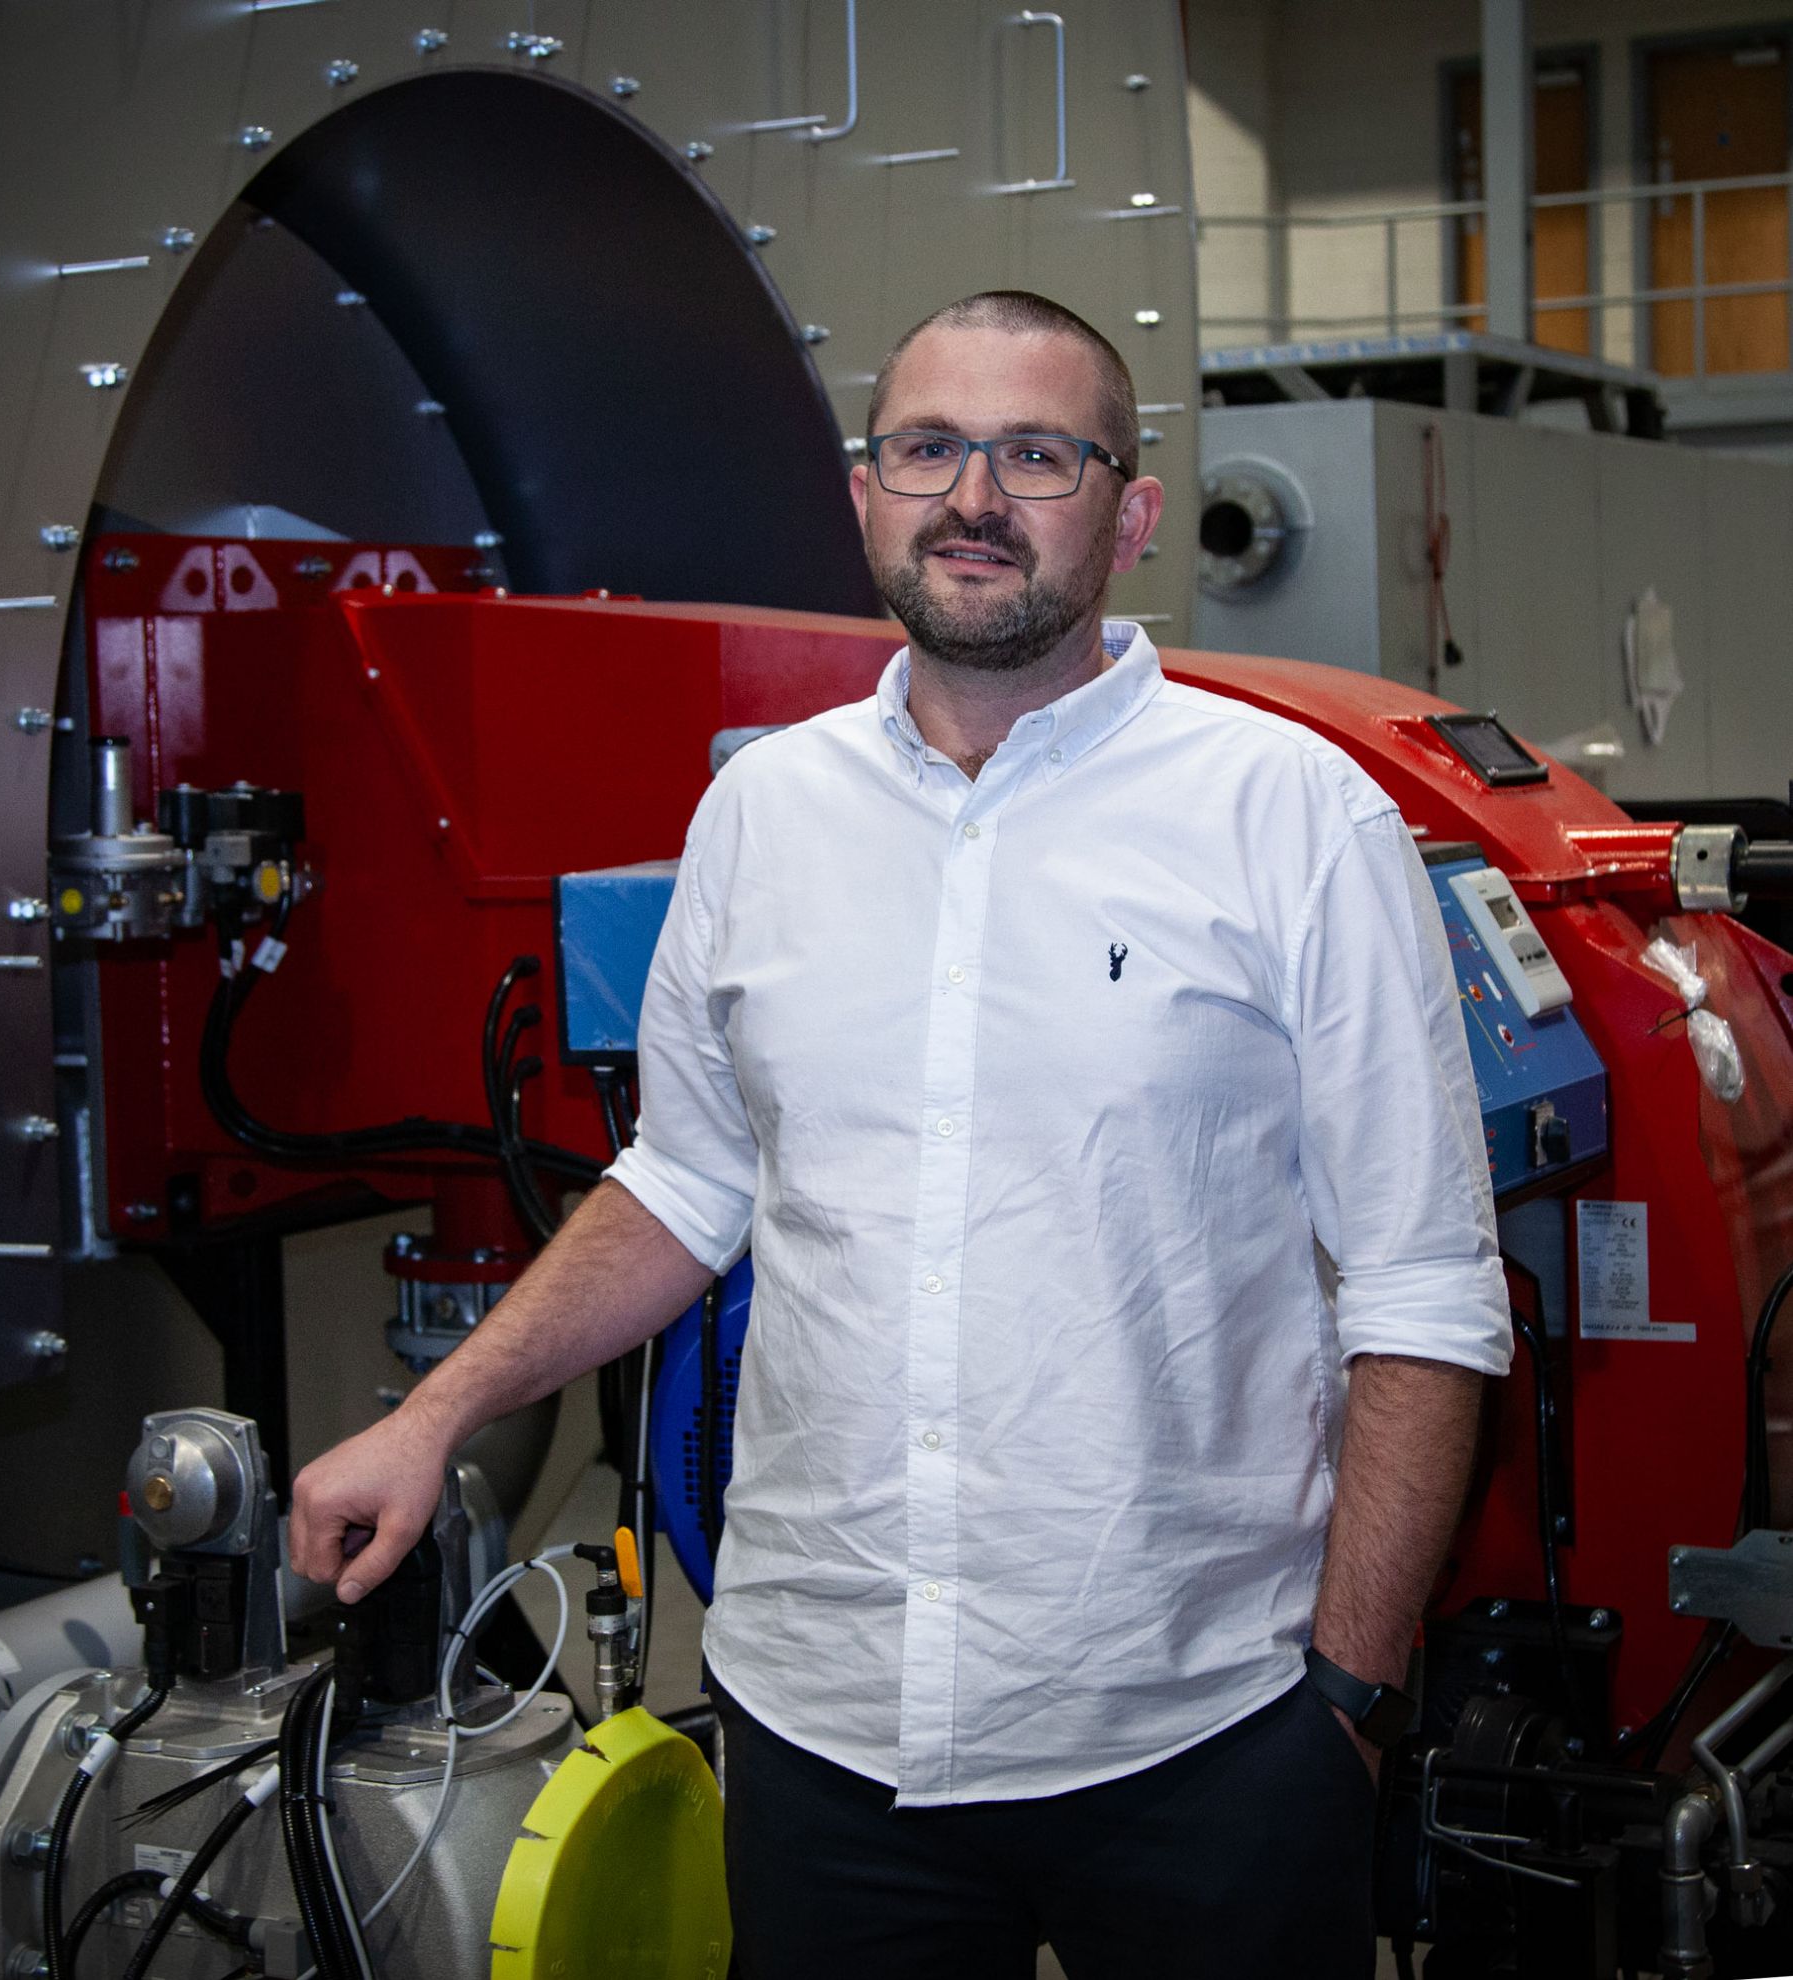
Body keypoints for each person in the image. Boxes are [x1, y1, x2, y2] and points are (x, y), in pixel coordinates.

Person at [289, 290, 1512, 1978]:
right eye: (928, 447)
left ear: (1133, 512)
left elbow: (1424, 1292)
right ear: (867, 493)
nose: (975, 497)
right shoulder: (763, 813)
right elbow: (686, 1181)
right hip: (824, 1733)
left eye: (1038, 453)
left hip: (1201, 1735)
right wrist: (434, 1420)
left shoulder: (1291, 817)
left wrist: (1351, 1704)